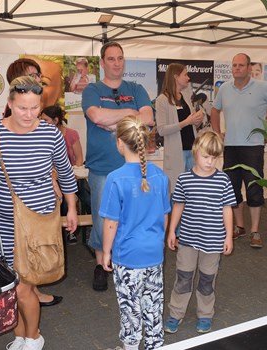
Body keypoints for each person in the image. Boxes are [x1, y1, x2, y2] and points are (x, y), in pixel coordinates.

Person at [0, 76, 78, 350]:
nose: (29, 115)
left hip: (40, 221)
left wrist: (72, 208)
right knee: (9, 287)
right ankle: (21, 335)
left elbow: (65, 173)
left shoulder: (50, 133)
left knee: (24, 287)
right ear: (9, 104)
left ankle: (33, 337)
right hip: (5, 225)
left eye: (34, 108)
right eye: (22, 108)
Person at [82, 41, 154, 292]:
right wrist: (129, 113)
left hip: (134, 166)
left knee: (132, 216)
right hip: (102, 167)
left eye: (120, 58)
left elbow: (148, 118)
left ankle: (125, 261)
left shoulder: (136, 88)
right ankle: (102, 265)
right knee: (103, 219)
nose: (116, 63)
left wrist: (115, 120)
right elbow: (97, 117)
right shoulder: (92, 89)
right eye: (111, 59)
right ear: (102, 62)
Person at [100, 116, 170, 350]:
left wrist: (106, 252)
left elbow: (111, 222)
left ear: (120, 143)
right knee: (153, 304)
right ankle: (154, 344)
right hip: (153, 253)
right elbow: (165, 215)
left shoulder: (115, 179)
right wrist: (159, 240)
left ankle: (130, 346)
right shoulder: (160, 176)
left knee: (130, 306)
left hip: (128, 256)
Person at [4, 58, 64, 307]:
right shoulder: (3, 125)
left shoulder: (45, 127)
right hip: (14, 205)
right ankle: (28, 294)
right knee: (19, 259)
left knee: (34, 252)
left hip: (39, 201)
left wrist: (56, 184)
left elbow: (51, 159)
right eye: (32, 75)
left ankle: (30, 290)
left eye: (38, 75)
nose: (37, 79)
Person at [164, 131, 236, 335]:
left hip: (213, 242)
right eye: (206, 156)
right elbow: (178, 205)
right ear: (195, 152)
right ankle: (176, 313)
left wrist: (228, 236)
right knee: (183, 277)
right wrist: (172, 232)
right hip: (187, 239)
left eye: (215, 157)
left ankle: (205, 315)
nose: (210, 162)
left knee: (207, 280)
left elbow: (227, 209)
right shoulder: (184, 179)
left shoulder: (223, 180)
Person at [210, 53, 267, 249]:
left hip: (253, 147)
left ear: (249, 68)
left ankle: (255, 231)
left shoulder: (262, 87)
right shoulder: (224, 88)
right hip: (230, 146)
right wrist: (216, 132)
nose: (236, 68)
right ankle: (239, 227)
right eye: (234, 65)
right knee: (232, 190)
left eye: (241, 65)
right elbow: (215, 110)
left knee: (254, 189)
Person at [40, 104, 90, 245]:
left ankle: (94, 226)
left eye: (45, 120)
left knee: (87, 196)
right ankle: (69, 231)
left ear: (56, 120)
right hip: (53, 177)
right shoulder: (41, 135)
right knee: (64, 198)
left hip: (71, 175)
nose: (42, 123)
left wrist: (74, 171)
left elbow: (79, 157)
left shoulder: (71, 134)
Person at [155, 63, 205, 192]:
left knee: (192, 191)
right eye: (185, 74)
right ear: (176, 76)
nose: (188, 78)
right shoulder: (162, 100)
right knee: (177, 192)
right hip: (176, 153)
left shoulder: (186, 97)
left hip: (192, 151)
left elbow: (191, 123)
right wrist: (186, 122)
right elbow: (161, 129)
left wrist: (197, 121)